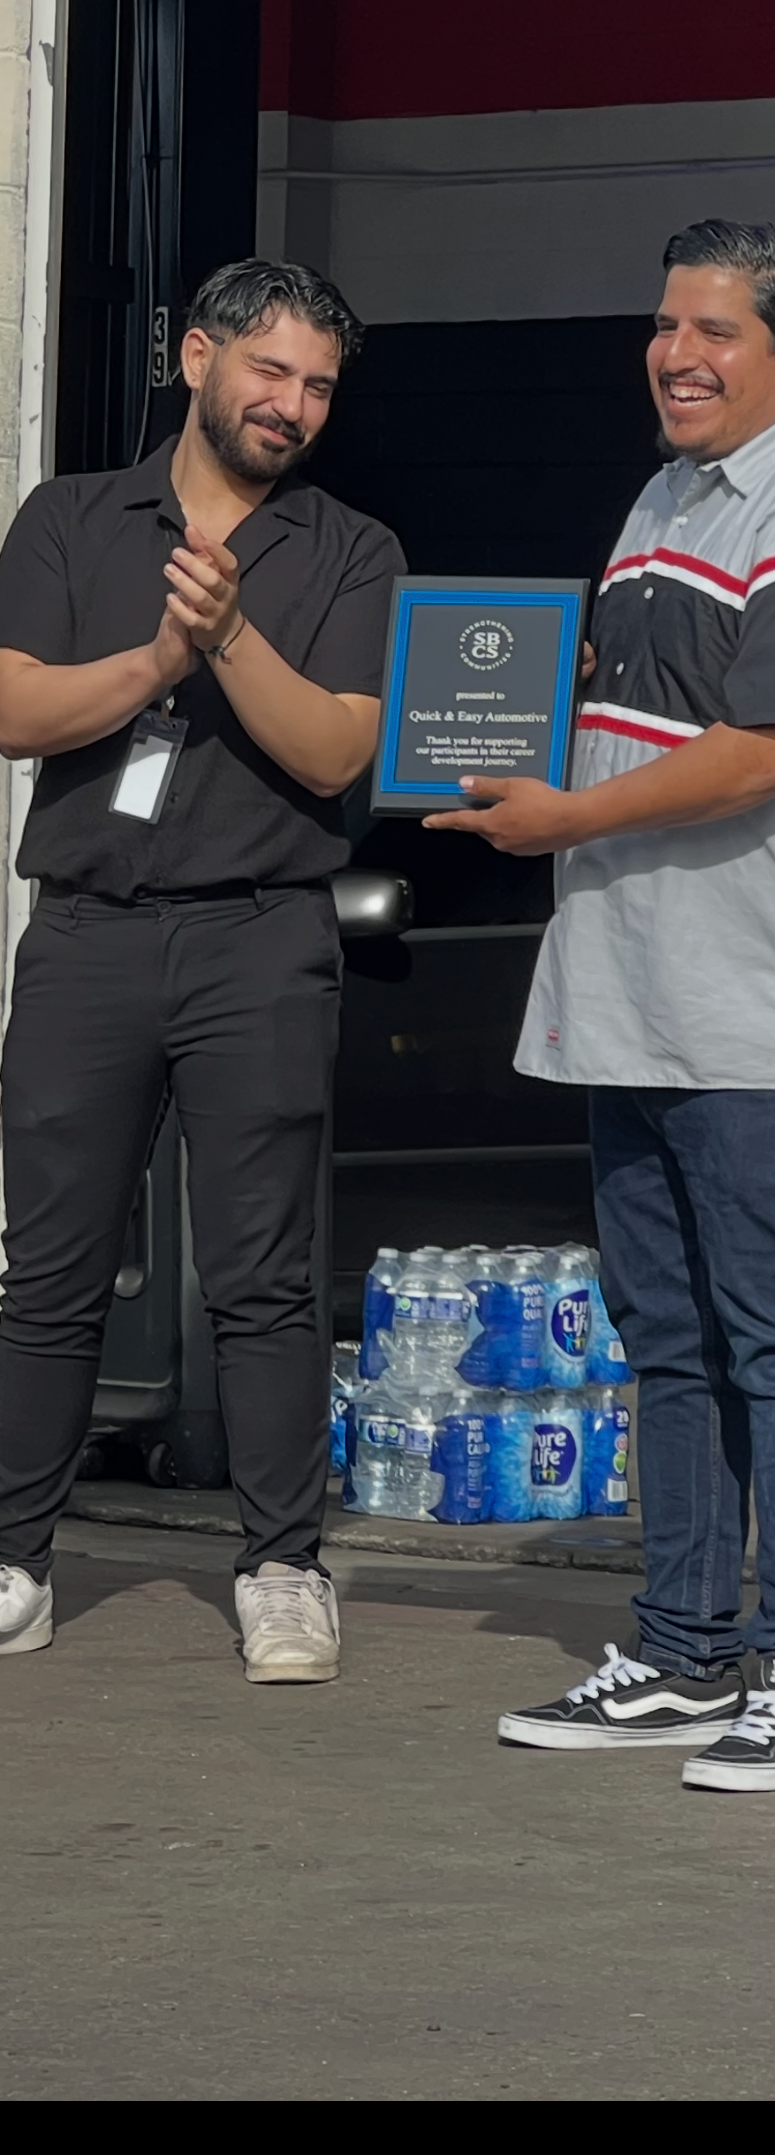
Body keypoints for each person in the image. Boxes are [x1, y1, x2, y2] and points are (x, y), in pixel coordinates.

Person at [424, 218, 775, 1795]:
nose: (678, 352)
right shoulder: (666, 502)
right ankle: (682, 1645)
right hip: (646, 999)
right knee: (672, 1340)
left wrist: (558, 824)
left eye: (717, 328)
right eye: (664, 323)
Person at [0, 259, 403, 1682]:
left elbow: (337, 750)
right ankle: (15, 1557)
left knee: (266, 1277)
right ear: (195, 359)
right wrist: (157, 655)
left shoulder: (352, 550)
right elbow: (13, 703)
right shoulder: (70, 517)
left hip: (260, 936)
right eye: (271, 372)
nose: (292, 405)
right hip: (90, 933)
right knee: (48, 1268)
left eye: (318, 387)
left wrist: (226, 634)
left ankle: (284, 1563)